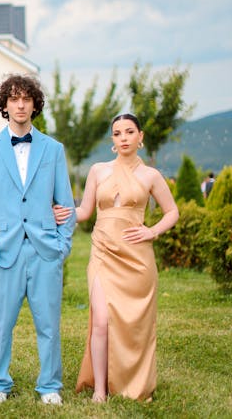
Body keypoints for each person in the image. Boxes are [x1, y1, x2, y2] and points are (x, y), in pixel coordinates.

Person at [0, 74, 76, 406]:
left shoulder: (54, 150)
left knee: (49, 325)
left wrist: (62, 247)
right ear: (5, 105)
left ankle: (50, 385)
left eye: (27, 98)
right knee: (0, 325)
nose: (21, 104)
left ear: (35, 104)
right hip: (2, 252)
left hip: (44, 252)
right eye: (14, 99)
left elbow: (65, 203)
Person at [54, 113, 178, 402]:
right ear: (112, 140)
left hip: (137, 258)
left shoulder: (151, 175)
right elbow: (85, 212)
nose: (123, 137)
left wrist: (152, 231)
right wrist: (62, 214)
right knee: (100, 320)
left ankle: (132, 381)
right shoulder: (98, 170)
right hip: (103, 253)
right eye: (117, 133)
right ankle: (100, 389)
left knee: (134, 324)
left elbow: (172, 211)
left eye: (129, 132)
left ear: (140, 137)